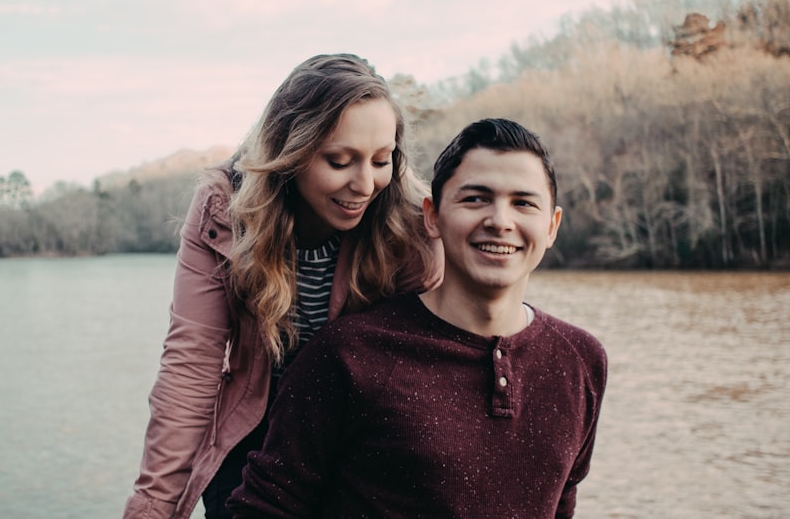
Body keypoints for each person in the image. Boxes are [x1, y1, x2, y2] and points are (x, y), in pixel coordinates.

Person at [228, 118, 608, 519]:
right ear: (432, 217)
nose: (500, 221)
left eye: (523, 203)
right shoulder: (347, 356)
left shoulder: (581, 360)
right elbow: (264, 508)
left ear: (551, 226)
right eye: (475, 199)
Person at [122, 54, 442, 519]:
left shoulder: (410, 223)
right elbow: (191, 364)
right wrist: (153, 507)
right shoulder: (223, 208)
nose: (365, 184)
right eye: (339, 161)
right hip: (256, 441)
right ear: (291, 151)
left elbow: (430, 367)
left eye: (381, 160)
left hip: (362, 443)